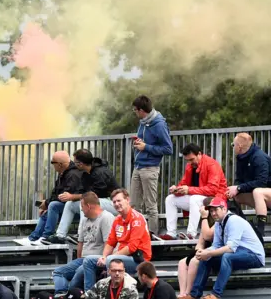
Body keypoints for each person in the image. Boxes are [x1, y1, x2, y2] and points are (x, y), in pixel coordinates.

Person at [180, 197, 265, 299]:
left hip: (254, 255)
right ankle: (194, 294)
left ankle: (215, 294)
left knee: (226, 256)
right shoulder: (218, 223)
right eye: (211, 211)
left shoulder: (233, 220)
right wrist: (204, 252)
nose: (213, 213)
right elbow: (216, 246)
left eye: (216, 209)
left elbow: (230, 248)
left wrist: (209, 253)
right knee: (205, 257)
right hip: (238, 253)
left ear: (224, 209)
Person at [82, 189, 152, 291]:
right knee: (88, 260)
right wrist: (104, 257)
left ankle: (109, 294)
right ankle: (89, 294)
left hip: (138, 259)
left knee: (111, 261)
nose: (116, 204)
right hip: (122, 257)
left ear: (127, 200)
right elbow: (110, 243)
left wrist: (111, 258)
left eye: (119, 201)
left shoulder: (137, 219)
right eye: (114, 202)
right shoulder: (117, 219)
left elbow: (132, 247)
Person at [50, 150, 118, 244]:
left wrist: (73, 196)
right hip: (97, 202)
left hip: (113, 204)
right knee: (70, 204)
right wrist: (70, 197)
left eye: (75, 162)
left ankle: (82, 235)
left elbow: (95, 195)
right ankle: (60, 235)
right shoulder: (85, 173)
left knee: (85, 201)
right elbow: (81, 191)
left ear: (80, 164)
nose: (73, 164)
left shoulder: (100, 172)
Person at [52, 192, 115, 295]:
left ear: (89, 206)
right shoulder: (84, 219)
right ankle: (62, 294)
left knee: (74, 283)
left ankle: (79, 294)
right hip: (82, 260)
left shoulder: (106, 218)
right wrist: (78, 260)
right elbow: (80, 243)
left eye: (82, 206)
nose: (81, 209)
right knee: (58, 272)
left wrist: (105, 265)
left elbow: (109, 244)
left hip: (97, 260)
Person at [15, 151, 83, 246]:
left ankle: (46, 237)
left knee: (53, 205)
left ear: (59, 164)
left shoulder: (73, 175)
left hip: (76, 210)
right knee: (48, 211)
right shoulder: (63, 173)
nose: (52, 165)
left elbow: (64, 196)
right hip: (66, 208)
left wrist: (47, 203)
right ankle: (33, 238)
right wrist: (46, 203)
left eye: (52, 163)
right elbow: (55, 192)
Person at [161, 144, 226, 240]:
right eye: (187, 160)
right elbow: (184, 184)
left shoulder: (212, 164)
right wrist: (176, 190)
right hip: (199, 198)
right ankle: (171, 233)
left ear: (199, 154)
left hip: (215, 198)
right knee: (170, 199)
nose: (190, 162)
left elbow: (213, 189)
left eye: (192, 159)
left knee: (194, 199)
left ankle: (191, 234)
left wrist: (189, 190)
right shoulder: (189, 166)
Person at [130, 95, 173, 234]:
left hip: (150, 168)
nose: (135, 113)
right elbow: (145, 142)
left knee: (150, 205)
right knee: (134, 205)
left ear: (142, 110)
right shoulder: (143, 122)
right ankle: (136, 234)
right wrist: (138, 143)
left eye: (135, 110)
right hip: (137, 167)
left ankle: (153, 236)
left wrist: (146, 147)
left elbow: (168, 149)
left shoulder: (159, 124)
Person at [225, 133, 271, 237]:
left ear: (239, 146)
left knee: (257, 191)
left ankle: (260, 230)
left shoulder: (259, 157)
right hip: (263, 198)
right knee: (233, 195)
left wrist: (239, 188)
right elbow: (239, 180)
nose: (233, 147)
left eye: (233, 144)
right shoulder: (241, 158)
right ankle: (245, 226)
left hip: (266, 193)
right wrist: (234, 189)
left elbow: (261, 182)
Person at [177, 198, 215, 298]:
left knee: (194, 262)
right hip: (204, 251)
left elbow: (208, 236)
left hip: (214, 252)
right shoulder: (205, 221)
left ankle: (189, 293)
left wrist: (204, 217)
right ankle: (182, 294)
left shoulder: (216, 221)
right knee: (182, 262)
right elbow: (201, 242)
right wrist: (198, 250)